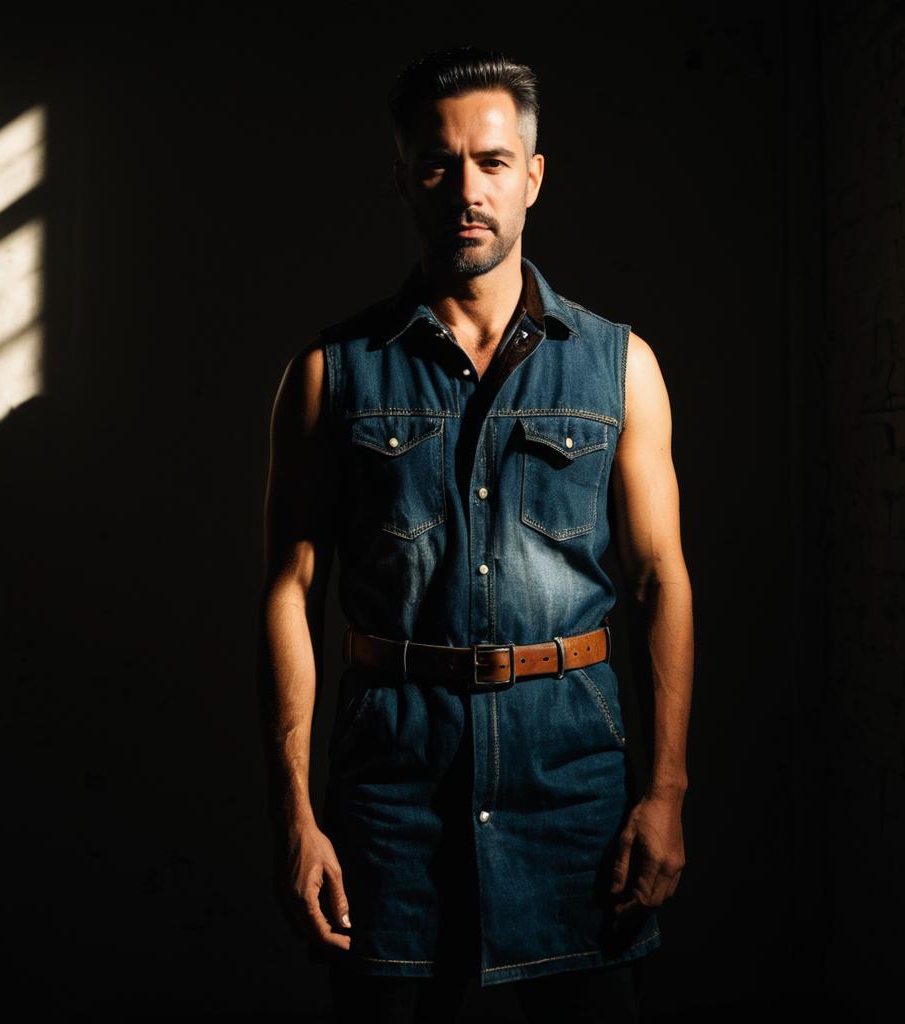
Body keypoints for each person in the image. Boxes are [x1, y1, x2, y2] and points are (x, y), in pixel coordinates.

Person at [259, 45, 693, 1023]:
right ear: (401, 176)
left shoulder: (620, 366)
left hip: (574, 801)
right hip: (392, 804)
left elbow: (659, 579)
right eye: (438, 164)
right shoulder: (330, 373)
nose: (467, 190)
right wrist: (295, 814)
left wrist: (666, 792)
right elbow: (289, 589)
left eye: (492, 162)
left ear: (531, 175)